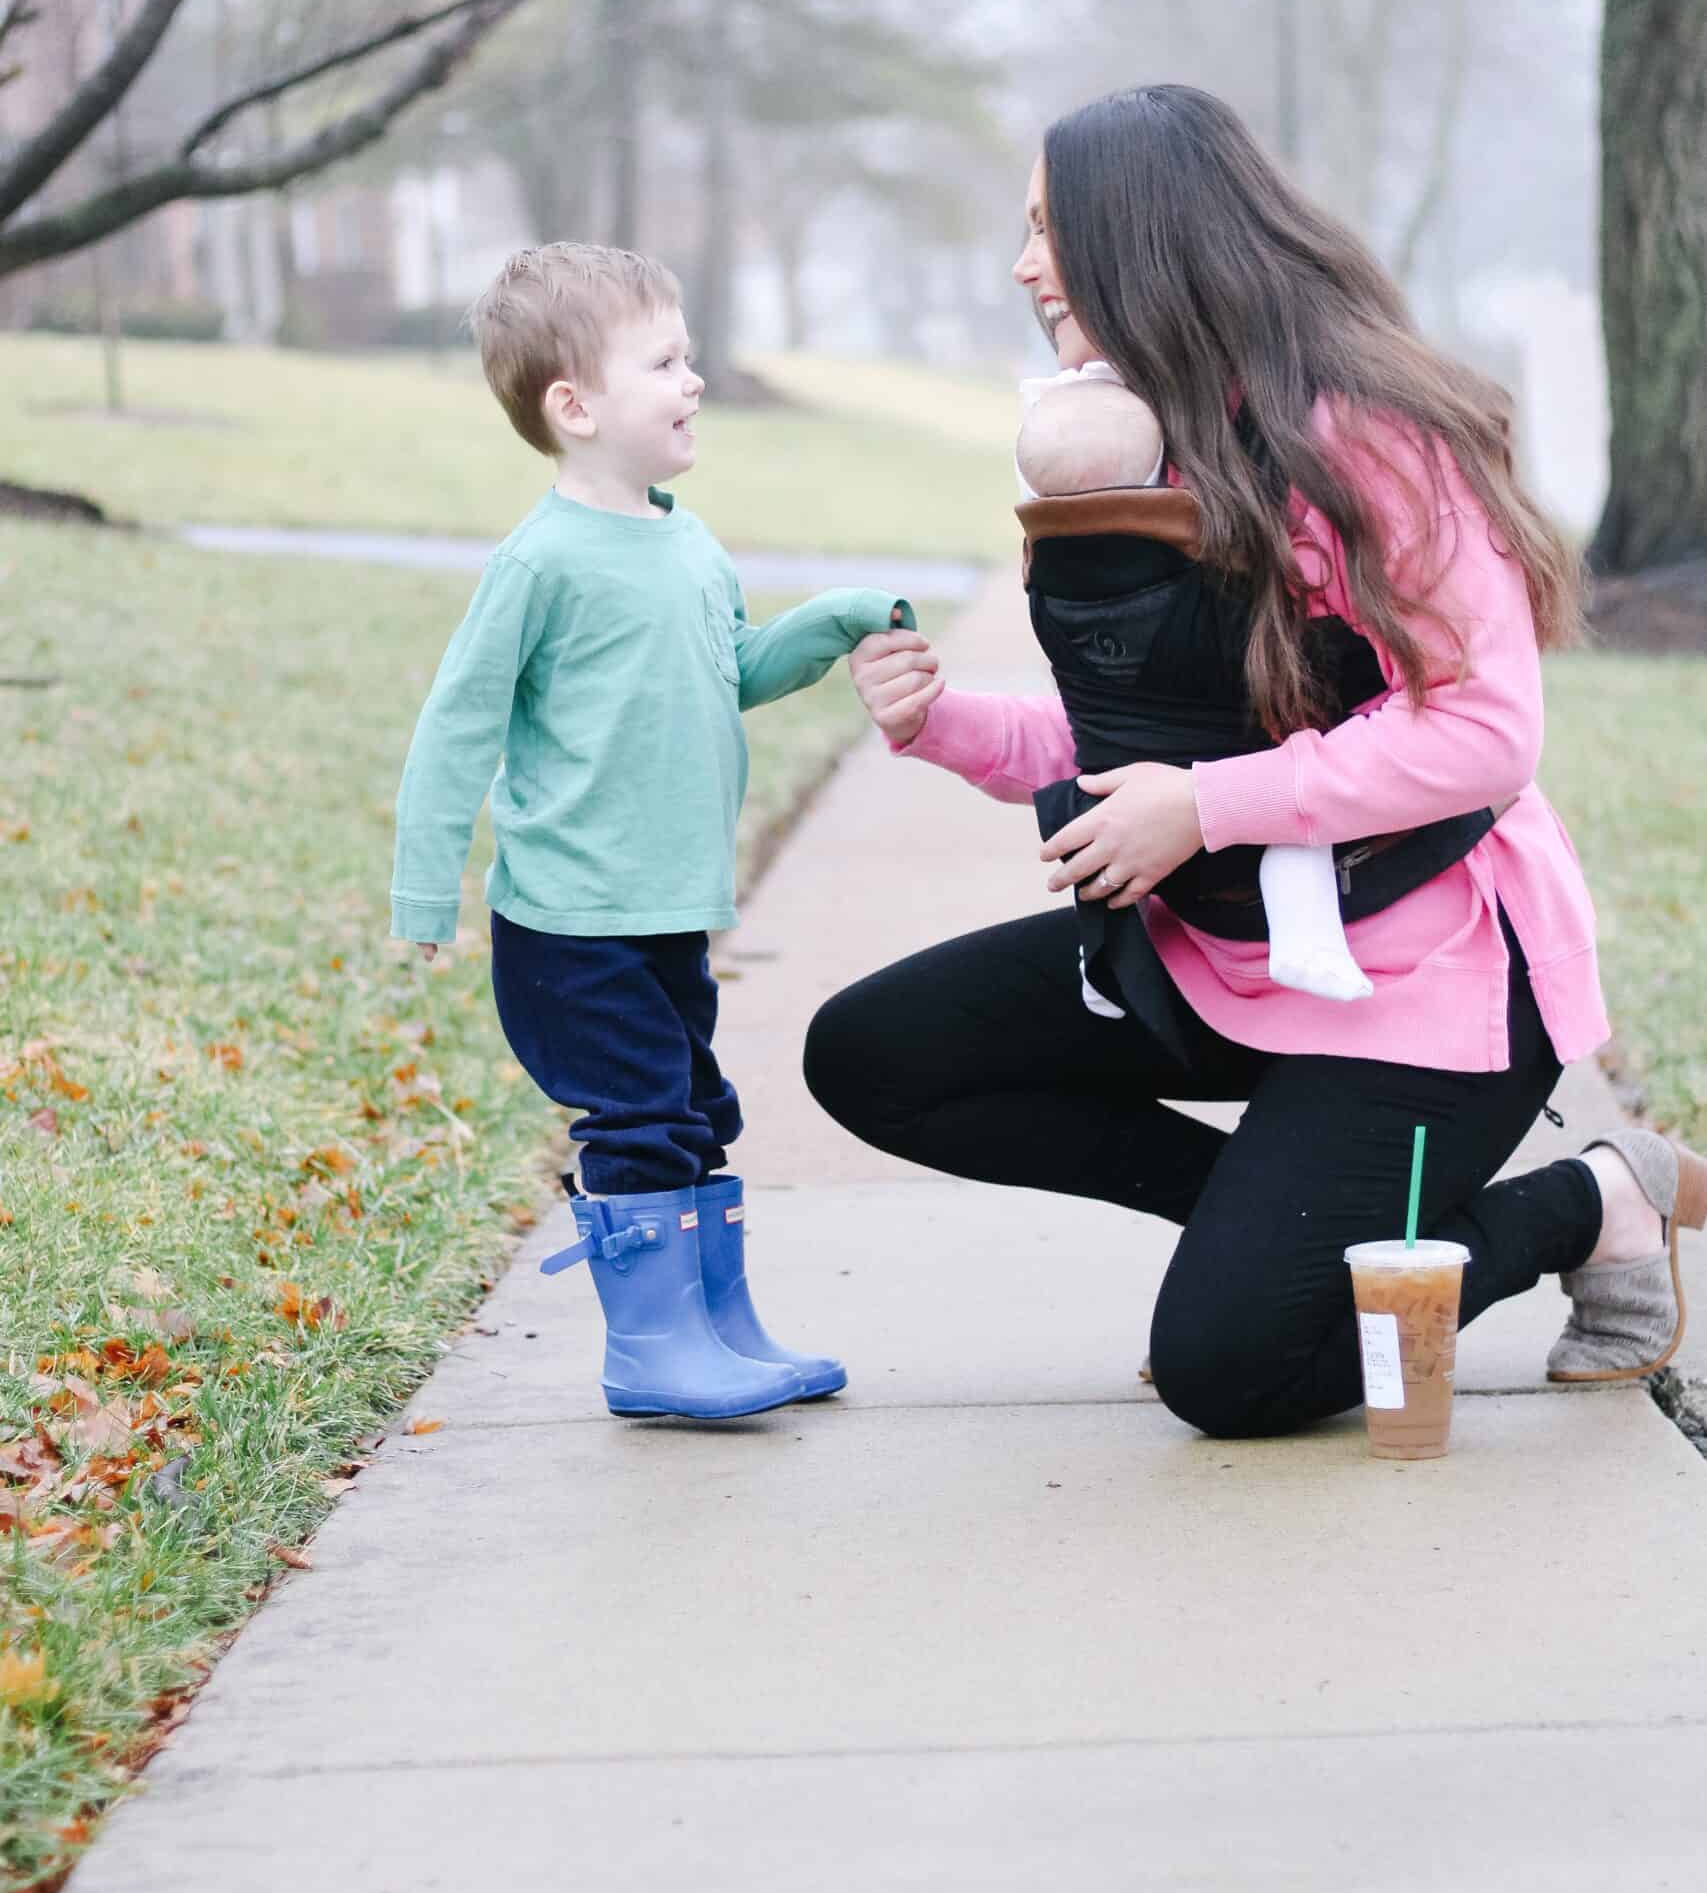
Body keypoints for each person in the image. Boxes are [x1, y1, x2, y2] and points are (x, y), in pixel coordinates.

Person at [806, 86, 1704, 1438]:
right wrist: (942, 725)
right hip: (1227, 958)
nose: (1022, 266)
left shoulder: (1366, 438)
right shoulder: (1143, 440)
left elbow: (1478, 732)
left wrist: (1205, 807)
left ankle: (1592, 1198)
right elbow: (1146, 746)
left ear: (1140, 238)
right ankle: (1277, 1241)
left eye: (1049, 230)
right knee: (873, 1053)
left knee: (1240, 1374)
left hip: (1428, 979)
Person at [391, 242, 909, 1421]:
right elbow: (456, 727)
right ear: (573, 406)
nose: (695, 380)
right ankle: (653, 1351)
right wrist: (425, 893)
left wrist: (825, 626)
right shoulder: (539, 563)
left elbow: (725, 672)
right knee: (637, 1116)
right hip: (571, 923)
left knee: (696, 1109)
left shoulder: (688, 540)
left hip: (670, 906)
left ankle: (719, 1327)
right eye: (665, 361)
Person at [1015, 361, 1376, 1006]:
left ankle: (1097, 965)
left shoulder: (1040, 559)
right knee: (1295, 833)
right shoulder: (1179, 527)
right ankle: (1309, 940)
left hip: (1111, 763)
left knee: (1101, 849)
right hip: (1225, 750)